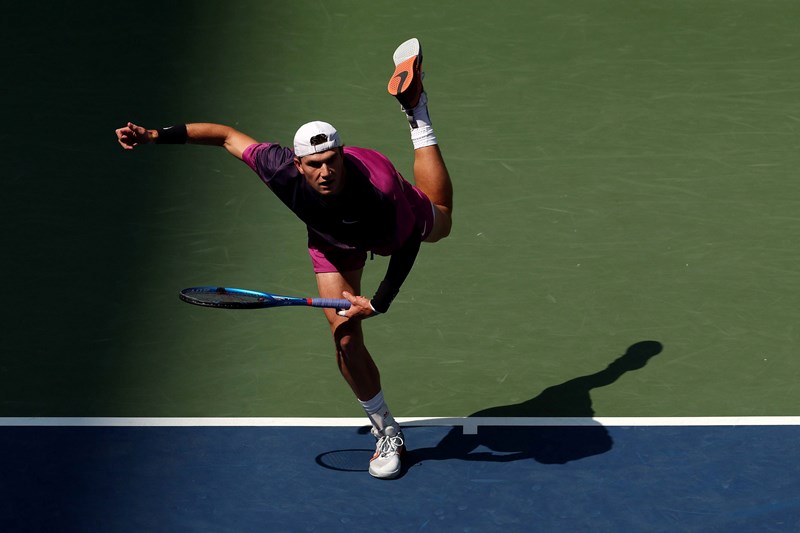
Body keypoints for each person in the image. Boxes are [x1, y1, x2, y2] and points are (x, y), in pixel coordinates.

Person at [115, 38, 453, 479]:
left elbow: (407, 242)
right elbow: (225, 136)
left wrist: (380, 300)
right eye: (313, 165)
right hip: (332, 243)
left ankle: (417, 113)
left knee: (441, 224)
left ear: (343, 156)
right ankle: (385, 428)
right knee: (346, 337)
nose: (325, 172)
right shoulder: (277, 167)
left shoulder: (381, 187)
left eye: (332, 161)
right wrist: (155, 135)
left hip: (387, 228)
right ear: (296, 163)